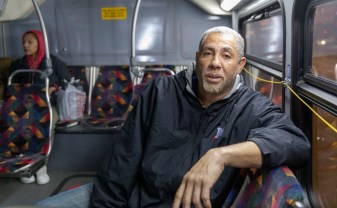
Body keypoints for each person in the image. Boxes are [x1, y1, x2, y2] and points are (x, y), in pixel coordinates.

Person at [37, 26, 310, 207]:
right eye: (208, 53)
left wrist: (220, 155)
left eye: (226, 56)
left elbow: (296, 143)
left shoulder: (251, 108)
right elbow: (123, 159)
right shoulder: (160, 91)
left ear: (240, 66)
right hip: (136, 197)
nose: (215, 62)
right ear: (197, 59)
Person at [10, 30, 71, 185]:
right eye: (24, 42)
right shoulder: (18, 65)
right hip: (26, 106)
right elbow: (12, 88)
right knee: (22, 128)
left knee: (44, 126)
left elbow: (68, 82)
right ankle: (27, 167)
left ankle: (41, 168)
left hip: (48, 105)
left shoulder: (53, 63)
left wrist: (53, 89)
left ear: (40, 43)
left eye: (30, 42)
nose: (25, 45)